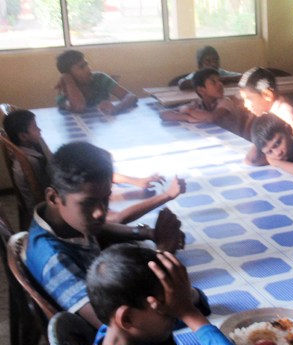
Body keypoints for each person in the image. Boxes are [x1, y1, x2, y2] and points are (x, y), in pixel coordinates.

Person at [24, 141, 188, 329]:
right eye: (88, 203)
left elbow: (100, 227)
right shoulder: (53, 258)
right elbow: (113, 324)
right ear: (53, 197)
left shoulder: (60, 219)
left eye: (105, 199)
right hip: (111, 338)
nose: (100, 212)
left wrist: (146, 233)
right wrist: (162, 254)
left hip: (110, 290)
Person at [87, 244, 254, 345]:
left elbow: (198, 306)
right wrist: (188, 312)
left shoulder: (111, 332)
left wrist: (183, 300)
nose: (174, 312)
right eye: (165, 308)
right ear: (127, 318)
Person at [3, 109, 187, 224]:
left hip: (51, 204)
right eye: (36, 128)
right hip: (47, 211)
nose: (41, 131)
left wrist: (136, 181)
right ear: (23, 136)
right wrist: (167, 195)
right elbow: (117, 219)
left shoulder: (32, 153)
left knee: (95, 174)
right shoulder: (35, 164)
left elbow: (94, 173)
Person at [238, 67, 293, 164]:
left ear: (267, 95)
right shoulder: (267, 115)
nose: (245, 105)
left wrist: (269, 157)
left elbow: (292, 153)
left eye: (249, 99)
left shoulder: (283, 116)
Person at [160, 68, 248, 135]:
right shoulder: (198, 104)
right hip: (213, 137)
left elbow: (212, 118)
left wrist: (189, 111)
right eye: (213, 82)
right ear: (201, 90)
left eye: (220, 81)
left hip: (231, 140)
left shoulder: (225, 102)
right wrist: (187, 117)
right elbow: (164, 114)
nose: (220, 84)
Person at [54, 50, 138, 115]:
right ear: (69, 75)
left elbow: (131, 96)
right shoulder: (65, 90)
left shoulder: (99, 78)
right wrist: (67, 80)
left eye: (87, 64)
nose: (89, 69)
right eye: (82, 67)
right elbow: (78, 107)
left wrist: (116, 108)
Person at [178, 45, 243, 90]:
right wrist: (208, 81)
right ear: (200, 67)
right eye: (207, 62)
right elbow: (182, 83)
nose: (213, 64)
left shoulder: (221, 73)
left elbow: (245, 77)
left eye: (215, 60)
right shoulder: (197, 75)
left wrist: (224, 79)